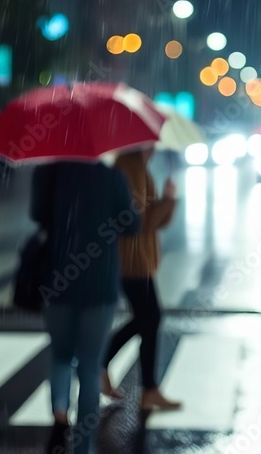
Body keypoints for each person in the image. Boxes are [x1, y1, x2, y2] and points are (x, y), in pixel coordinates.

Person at [31, 161, 141, 454]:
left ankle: (58, 418)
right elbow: (131, 225)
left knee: (61, 357)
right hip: (99, 283)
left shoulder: (47, 173)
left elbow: (37, 215)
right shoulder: (112, 177)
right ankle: (84, 445)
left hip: (57, 279)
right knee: (91, 367)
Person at [101, 147, 182, 411]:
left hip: (139, 258)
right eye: (151, 140)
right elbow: (139, 222)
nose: (155, 145)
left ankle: (147, 388)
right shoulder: (129, 166)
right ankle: (142, 386)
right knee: (151, 318)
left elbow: (155, 221)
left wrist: (168, 201)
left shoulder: (139, 166)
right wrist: (168, 202)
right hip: (130, 259)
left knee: (148, 320)